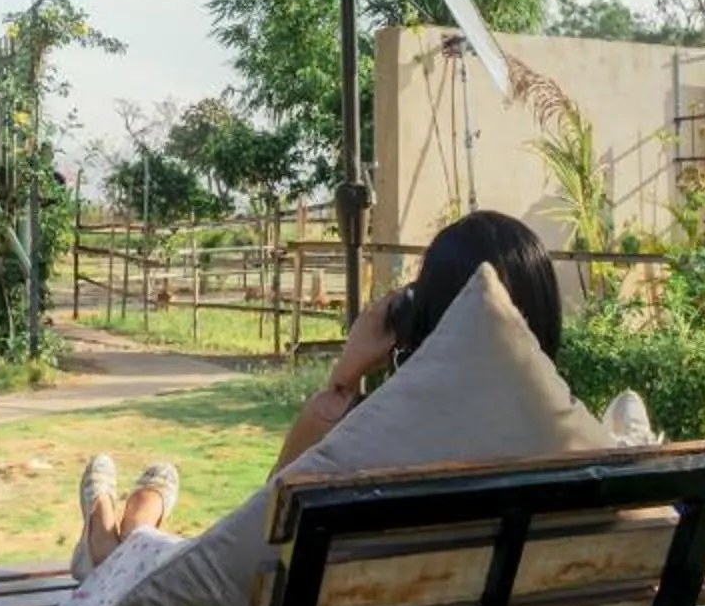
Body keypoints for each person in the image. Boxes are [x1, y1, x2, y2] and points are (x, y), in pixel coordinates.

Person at [68, 208, 570, 577]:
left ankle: (110, 529)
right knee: (158, 552)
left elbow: (263, 530)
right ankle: (133, 524)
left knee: (152, 568)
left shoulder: (377, 446)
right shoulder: (576, 452)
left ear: (422, 317)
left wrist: (345, 378)